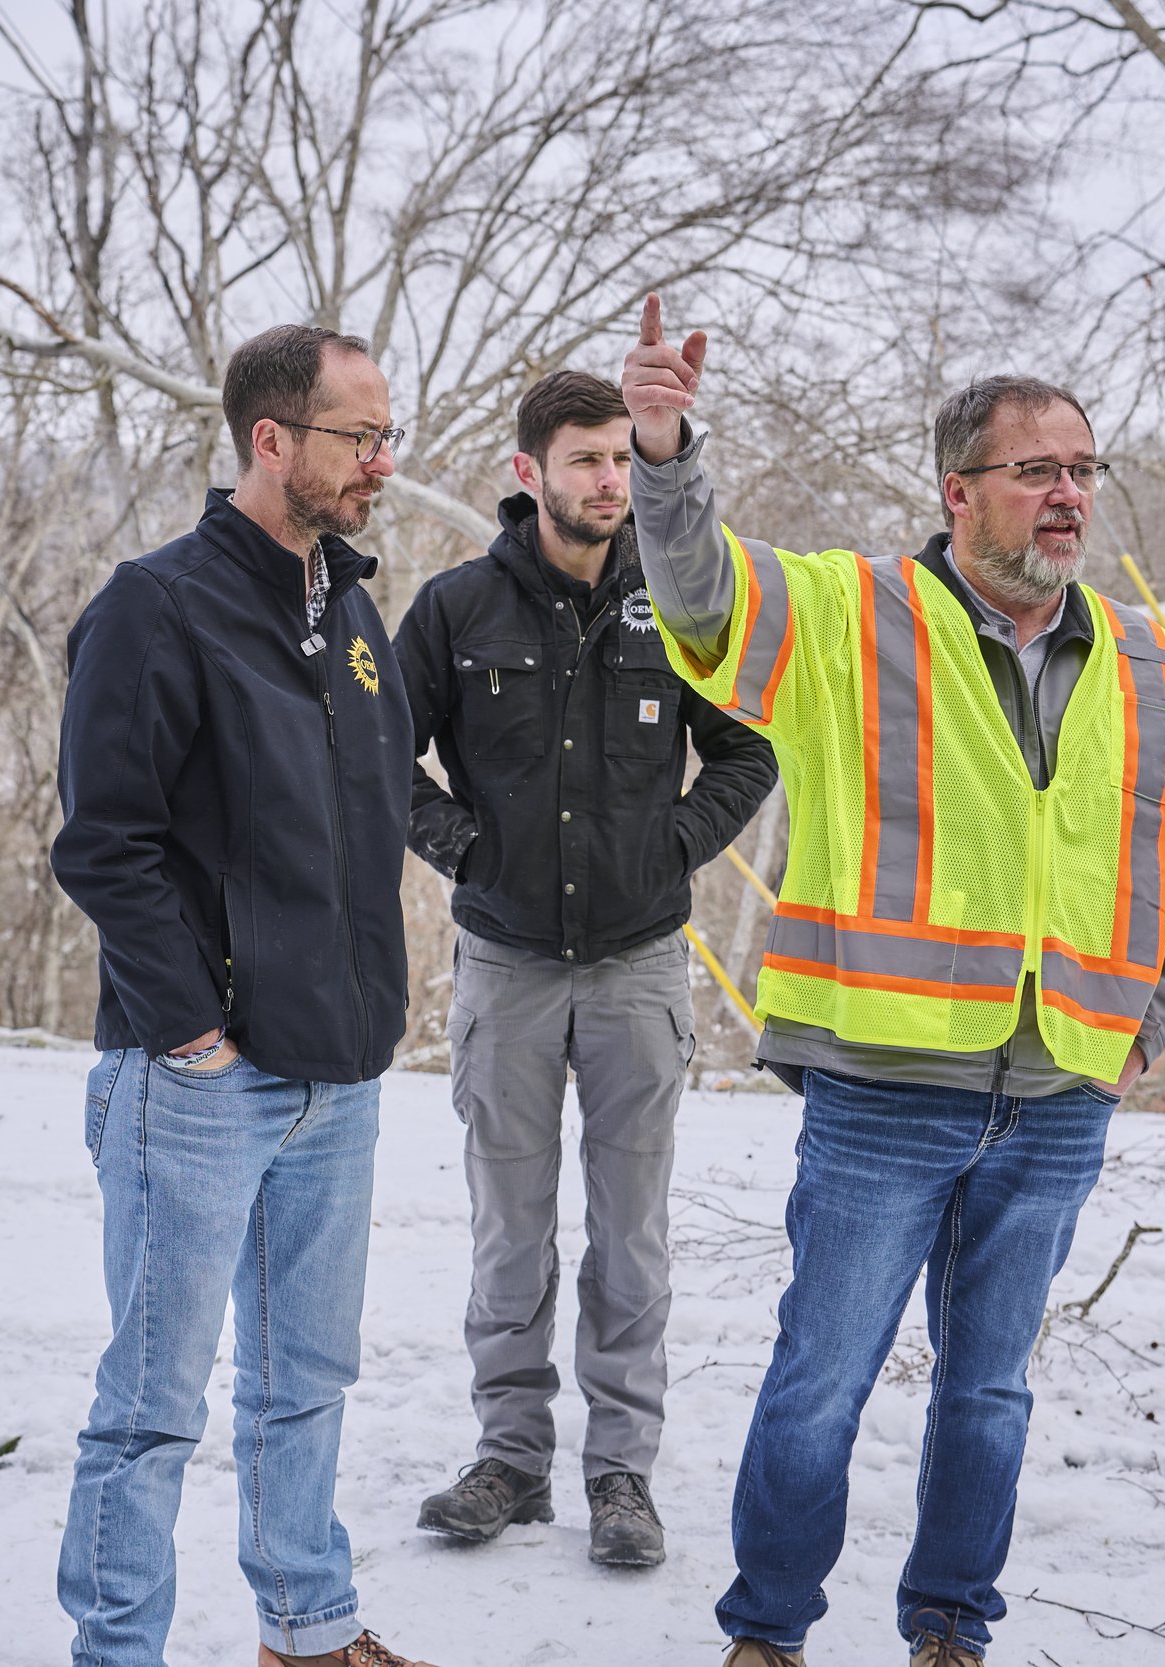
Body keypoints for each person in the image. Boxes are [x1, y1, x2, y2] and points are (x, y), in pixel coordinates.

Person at [618, 296, 1165, 1666]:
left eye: (1083, 468)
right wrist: (664, 451)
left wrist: (1137, 1034)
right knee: (818, 1385)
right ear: (960, 493)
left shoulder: (1143, 657)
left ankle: (952, 1627)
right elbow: (701, 597)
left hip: (1062, 1095)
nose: (1069, 493)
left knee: (990, 1395)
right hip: (882, 1089)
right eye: (1039, 470)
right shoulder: (853, 613)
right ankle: (769, 1632)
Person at [50, 324, 442, 1667]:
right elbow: (105, 840)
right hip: (199, 1082)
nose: (382, 462)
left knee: (305, 1385)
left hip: (337, 1072)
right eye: (358, 437)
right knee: (153, 1404)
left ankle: (308, 1627)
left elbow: (368, 813)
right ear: (269, 440)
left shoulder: (353, 610)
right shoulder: (156, 606)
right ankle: (117, 1648)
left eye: (388, 434)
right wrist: (189, 1028)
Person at [392, 370, 776, 1566]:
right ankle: (509, 1458)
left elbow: (750, 746)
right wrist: (465, 847)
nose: (611, 479)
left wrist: (670, 842)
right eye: (587, 459)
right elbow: (372, 757)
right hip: (504, 968)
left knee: (631, 1237)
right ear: (530, 474)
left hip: (639, 971)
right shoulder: (456, 612)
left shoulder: (677, 605)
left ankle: (622, 1473)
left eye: (622, 458)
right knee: (510, 1229)